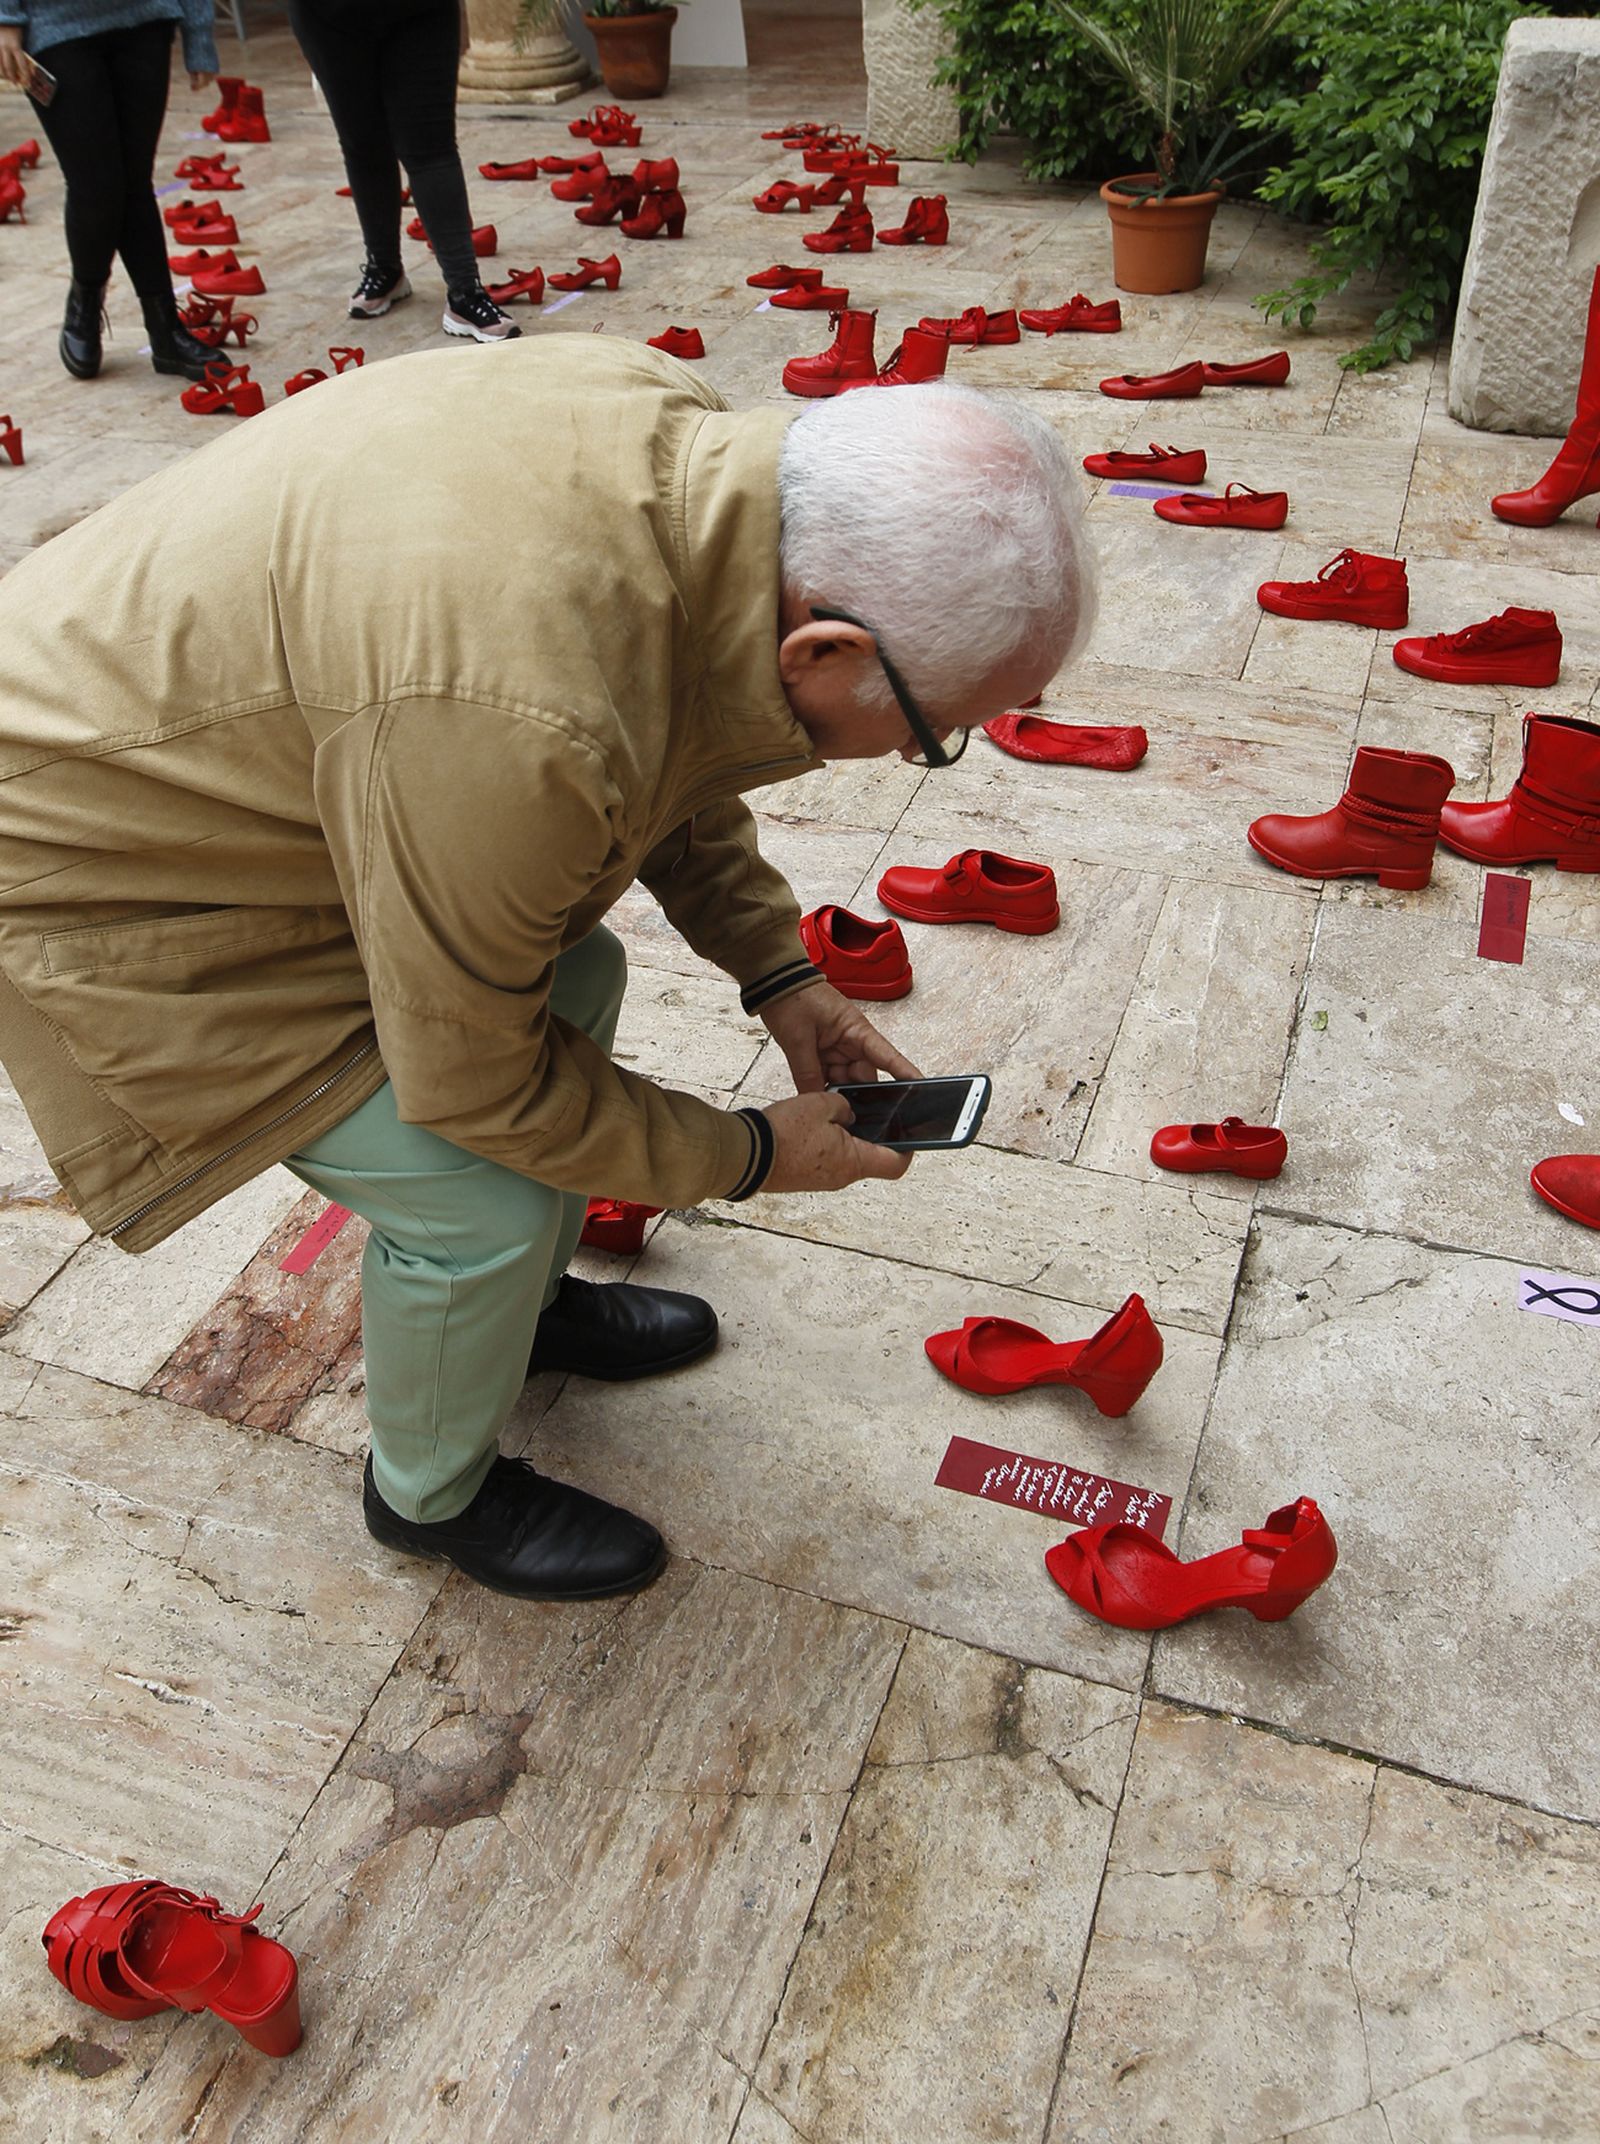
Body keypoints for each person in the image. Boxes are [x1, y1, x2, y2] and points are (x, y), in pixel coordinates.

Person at [0, 339, 1094, 1602]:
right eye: (936, 728)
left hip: (285, 777)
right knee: (479, 1203)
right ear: (825, 650)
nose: (930, 748)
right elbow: (475, 1082)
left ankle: (508, 1322)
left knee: (577, 979)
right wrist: (746, 1156)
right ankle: (430, 1496)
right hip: (106, 869)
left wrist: (781, 976)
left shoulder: (682, 452)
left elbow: (673, 737)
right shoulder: (523, 712)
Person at [0, 0, 220, 382]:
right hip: (55, 27)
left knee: (135, 182)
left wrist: (198, 31)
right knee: (95, 186)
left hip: (146, 19)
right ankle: (85, 299)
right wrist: (5, 19)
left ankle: (166, 331)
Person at [287, 0, 518, 345]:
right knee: (362, 143)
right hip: (328, 16)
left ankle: (464, 293)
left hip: (419, 11)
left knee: (431, 147)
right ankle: (385, 269)